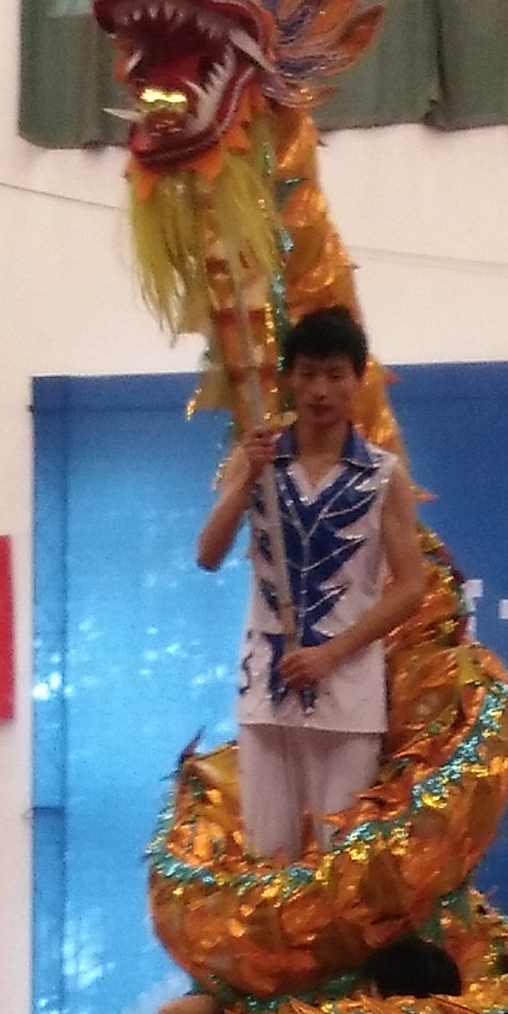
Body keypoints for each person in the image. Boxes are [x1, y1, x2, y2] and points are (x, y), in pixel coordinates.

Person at [195, 305, 427, 863]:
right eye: (308, 374)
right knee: (266, 857)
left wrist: (333, 653)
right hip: (265, 687)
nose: (321, 390)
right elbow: (208, 554)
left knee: (341, 861)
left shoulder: (382, 474)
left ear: (357, 380)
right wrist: (245, 481)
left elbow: (410, 587)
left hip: (348, 692)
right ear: (289, 380)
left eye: (335, 375)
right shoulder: (257, 458)